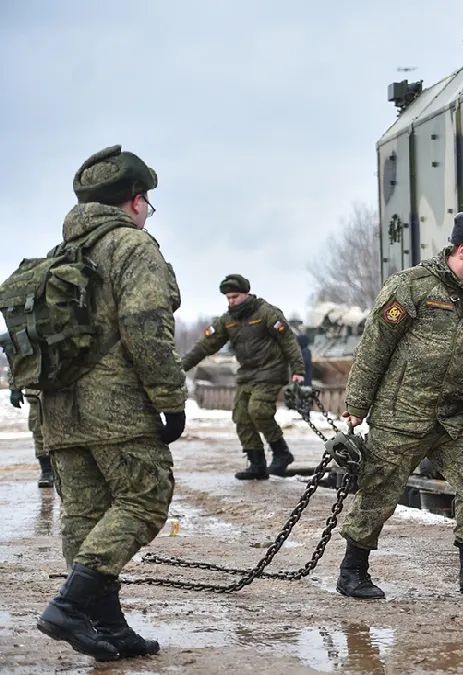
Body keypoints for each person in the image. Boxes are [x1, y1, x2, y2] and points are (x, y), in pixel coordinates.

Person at [336, 212, 463, 599]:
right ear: (462, 251)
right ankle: (353, 571)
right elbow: (373, 349)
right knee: (378, 491)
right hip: (403, 414)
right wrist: (357, 404)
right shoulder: (411, 287)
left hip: (456, 415)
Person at [36, 145, 187, 661]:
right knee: (145, 501)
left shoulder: (63, 253)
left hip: (59, 412)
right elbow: (147, 327)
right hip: (116, 408)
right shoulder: (131, 246)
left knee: (85, 517)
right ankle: (70, 607)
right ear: (135, 201)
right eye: (146, 201)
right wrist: (169, 397)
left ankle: (108, 624)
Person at [180, 275, 304, 479]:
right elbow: (205, 346)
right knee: (241, 417)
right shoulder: (228, 321)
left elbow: (288, 341)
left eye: (235, 297)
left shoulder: (266, 313)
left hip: (270, 371)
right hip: (247, 374)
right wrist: (181, 367)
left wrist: (298, 370)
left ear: (246, 293)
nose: (231, 302)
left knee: (259, 410)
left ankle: (281, 453)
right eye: (228, 298)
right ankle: (257, 464)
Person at [10, 389, 53, 487]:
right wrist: (15, 388)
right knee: (39, 433)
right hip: (37, 394)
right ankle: (47, 471)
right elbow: (17, 372)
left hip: (66, 388)